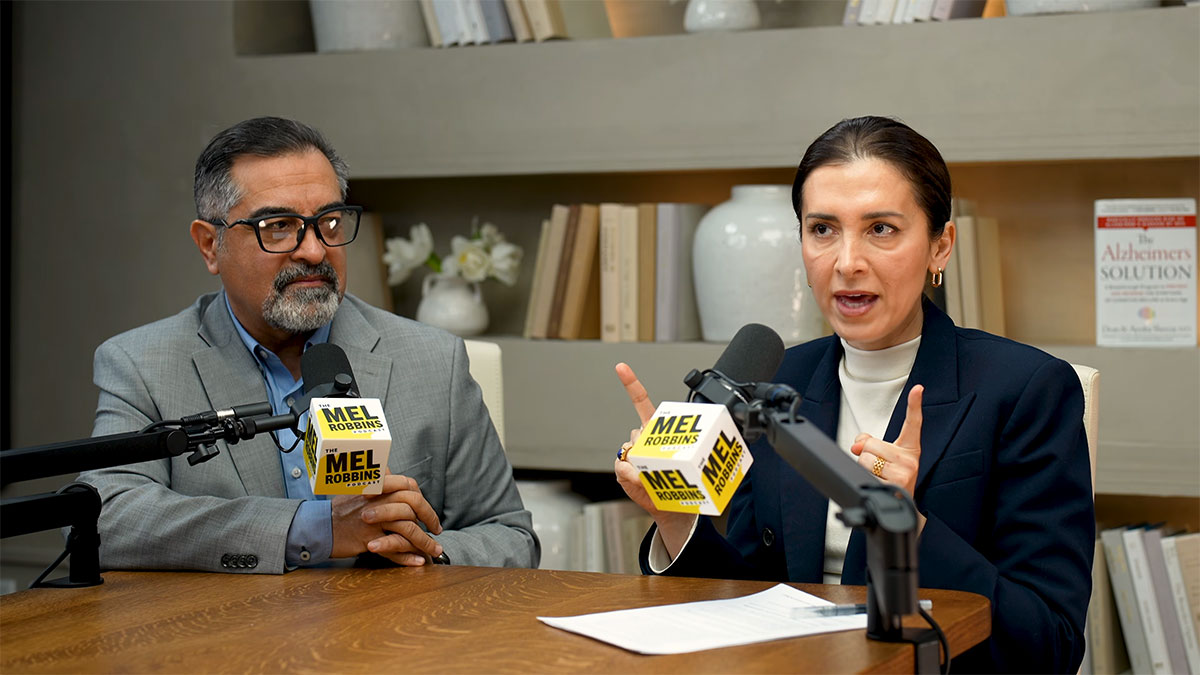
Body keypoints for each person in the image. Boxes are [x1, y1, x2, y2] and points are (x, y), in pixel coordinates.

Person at [613, 116, 1094, 673]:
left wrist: (909, 530)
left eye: (881, 229)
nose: (846, 263)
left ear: (940, 246)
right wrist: (675, 518)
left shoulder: (1026, 389)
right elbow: (751, 602)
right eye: (822, 229)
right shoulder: (777, 385)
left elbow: (1048, 646)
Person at [78, 117, 537, 574]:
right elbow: (104, 519)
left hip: (391, 619)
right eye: (278, 226)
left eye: (329, 222)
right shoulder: (144, 365)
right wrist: (314, 529)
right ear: (210, 245)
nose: (315, 251)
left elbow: (510, 537)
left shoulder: (434, 360)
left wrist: (419, 551)